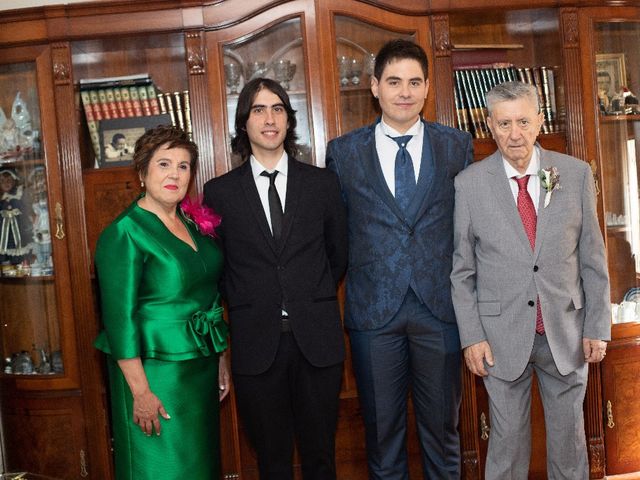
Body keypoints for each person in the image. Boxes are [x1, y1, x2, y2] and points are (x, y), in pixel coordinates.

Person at [325, 39, 473, 479]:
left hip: (440, 310)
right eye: (393, 82)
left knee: (444, 440)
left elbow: (470, 227)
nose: (404, 92)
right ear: (375, 87)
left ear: (428, 88)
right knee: (383, 442)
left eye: (413, 82)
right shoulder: (344, 152)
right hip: (374, 314)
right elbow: (336, 233)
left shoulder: (457, 146)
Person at [450, 81, 611, 479]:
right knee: (505, 450)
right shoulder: (469, 184)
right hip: (499, 337)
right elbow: (462, 270)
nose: (515, 134)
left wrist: (597, 327)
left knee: (571, 446)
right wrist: (472, 336)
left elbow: (593, 259)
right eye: (504, 123)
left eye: (523, 121)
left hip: (567, 333)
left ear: (540, 120)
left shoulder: (573, 174)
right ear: (489, 126)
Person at [203, 78, 348, 480]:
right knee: (272, 462)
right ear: (243, 124)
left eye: (278, 109)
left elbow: (338, 256)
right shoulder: (219, 193)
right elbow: (220, 271)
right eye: (258, 110)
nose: (269, 119)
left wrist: (306, 292)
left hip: (317, 342)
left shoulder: (322, 184)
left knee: (321, 458)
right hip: (256, 345)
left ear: (289, 120)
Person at [93, 125, 229, 480]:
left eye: (183, 166)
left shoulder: (192, 224)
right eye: (164, 164)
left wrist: (221, 361)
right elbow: (119, 322)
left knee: (200, 467)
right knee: (162, 469)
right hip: (155, 375)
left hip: (198, 370)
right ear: (142, 172)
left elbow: (210, 298)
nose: (174, 174)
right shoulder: (123, 233)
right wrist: (140, 392)